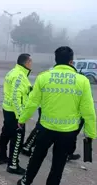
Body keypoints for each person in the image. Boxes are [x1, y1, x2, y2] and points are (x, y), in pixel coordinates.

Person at [17, 46, 96, 185]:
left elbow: (32, 103)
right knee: (58, 165)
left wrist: (22, 119)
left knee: (36, 158)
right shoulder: (82, 81)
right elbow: (88, 111)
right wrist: (90, 133)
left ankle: (25, 181)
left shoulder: (44, 77)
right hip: (67, 132)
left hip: (45, 128)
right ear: (71, 62)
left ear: (56, 60)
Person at [0, 53, 32, 175]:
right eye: (30, 61)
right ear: (26, 63)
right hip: (14, 112)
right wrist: (20, 117)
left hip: (7, 109)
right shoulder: (20, 76)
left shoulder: (12, 71)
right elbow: (16, 97)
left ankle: (1, 157)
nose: (31, 64)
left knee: (5, 133)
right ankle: (13, 165)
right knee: (17, 138)